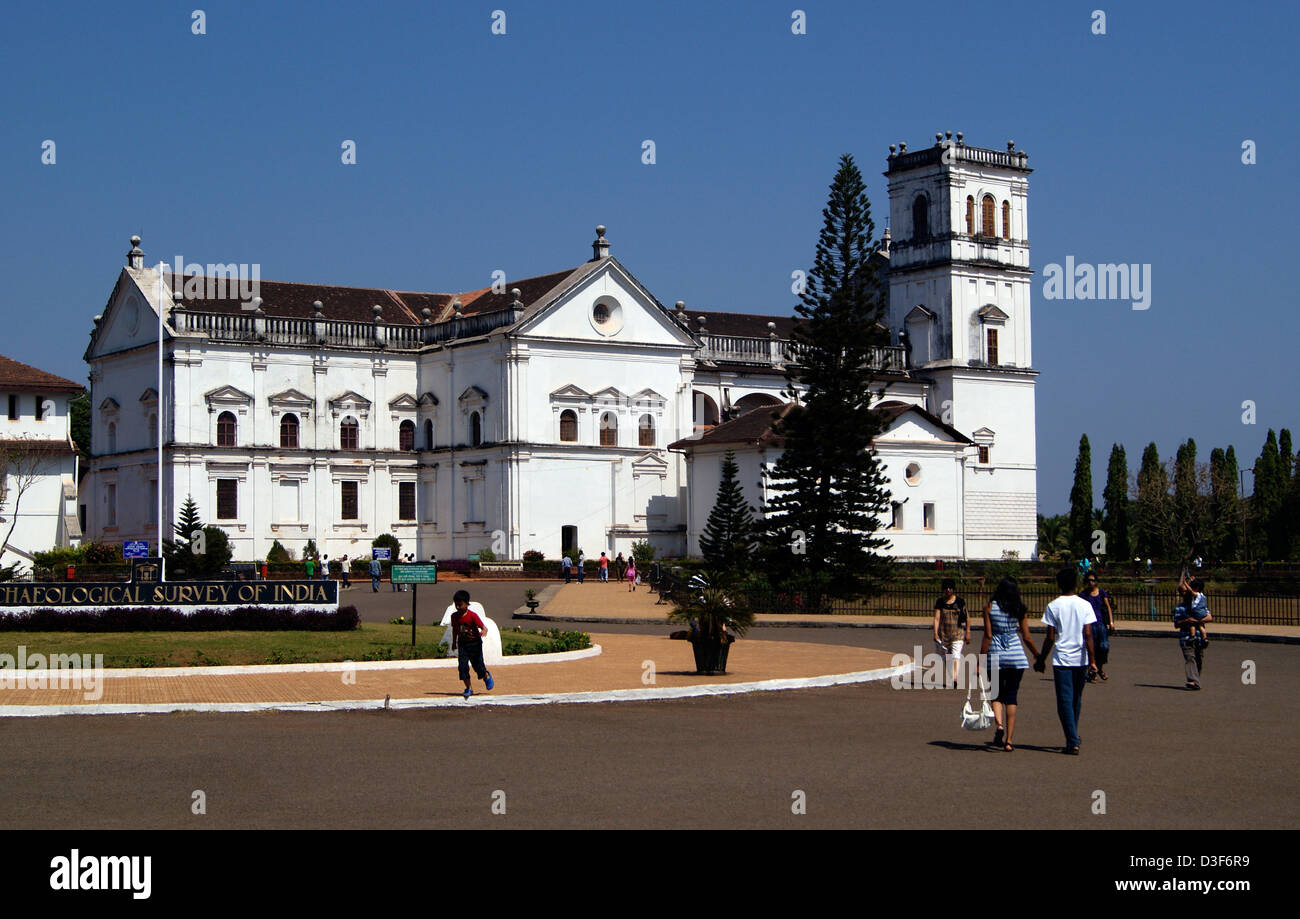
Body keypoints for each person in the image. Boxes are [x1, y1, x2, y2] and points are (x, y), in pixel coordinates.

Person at [1034, 569, 1099, 755]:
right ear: (1076, 584)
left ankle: (1072, 740)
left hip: (1062, 659)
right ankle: (1073, 735)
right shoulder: (1084, 604)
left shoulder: (1053, 606)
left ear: (1059, 584)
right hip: (1081, 659)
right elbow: (1088, 635)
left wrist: (1041, 659)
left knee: (1064, 701)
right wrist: (1092, 660)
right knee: (1076, 699)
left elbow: (1050, 638)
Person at [980, 576, 1039, 752]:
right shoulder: (1019, 609)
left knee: (996, 694)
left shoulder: (990, 608)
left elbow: (988, 635)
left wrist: (981, 659)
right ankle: (1009, 740)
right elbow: (1026, 637)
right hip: (1016, 657)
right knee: (1011, 697)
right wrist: (1037, 655)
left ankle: (999, 725)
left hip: (996, 656)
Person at [449, 589, 494, 699]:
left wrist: (484, 631)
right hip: (463, 644)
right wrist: (454, 642)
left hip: (475, 643)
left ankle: (485, 675)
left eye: (460, 605)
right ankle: (469, 688)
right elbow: (455, 630)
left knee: (478, 666)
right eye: (456, 605)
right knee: (463, 667)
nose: (458, 607)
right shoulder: (454, 616)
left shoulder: (472, 616)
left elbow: (483, 627)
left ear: (467, 604)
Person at [1174, 575, 1212, 690]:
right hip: (1186, 638)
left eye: (1185, 591)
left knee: (1198, 659)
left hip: (1199, 638)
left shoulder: (1199, 603)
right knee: (1190, 658)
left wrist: (1197, 620)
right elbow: (1176, 624)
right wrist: (1186, 621)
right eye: (1182, 592)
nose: (1185, 593)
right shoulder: (1180, 608)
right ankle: (1193, 681)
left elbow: (1209, 617)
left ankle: (1195, 679)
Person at [931, 578, 969, 689]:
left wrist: (968, 632)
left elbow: (967, 618)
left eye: (950, 588)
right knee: (945, 657)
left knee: (956, 655)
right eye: (946, 588)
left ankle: (955, 677)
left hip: (958, 633)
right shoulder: (940, 602)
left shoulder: (960, 602)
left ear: (953, 589)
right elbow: (936, 618)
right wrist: (935, 633)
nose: (948, 590)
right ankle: (951, 675)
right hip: (944, 634)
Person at [1079, 572, 1115, 682]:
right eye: (1089, 580)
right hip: (1089, 625)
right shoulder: (1083, 595)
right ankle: (1094, 672)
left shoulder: (1102, 593)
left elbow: (1108, 607)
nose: (1091, 582)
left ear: (1096, 581)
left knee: (1104, 647)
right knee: (1092, 649)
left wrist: (1111, 622)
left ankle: (1099, 668)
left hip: (1101, 624)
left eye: (1093, 580)